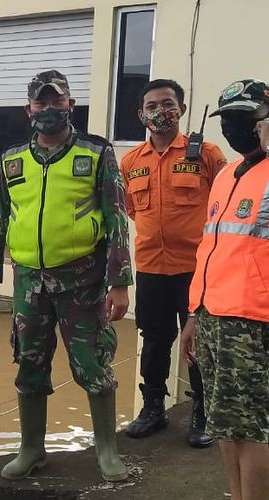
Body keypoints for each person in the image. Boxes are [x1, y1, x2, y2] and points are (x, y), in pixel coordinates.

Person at [0, 70, 132, 482]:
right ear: (29, 109)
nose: (48, 109)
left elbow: (116, 219)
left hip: (83, 282)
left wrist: (119, 283)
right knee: (29, 364)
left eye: (56, 101)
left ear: (70, 106)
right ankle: (32, 449)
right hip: (30, 283)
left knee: (93, 365)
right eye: (40, 103)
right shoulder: (11, 160)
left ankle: (106, 451)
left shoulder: (96, 153)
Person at [120, 79, 227, 447]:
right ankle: (153, 408)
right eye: (152, 106)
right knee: (154, 339)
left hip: (197, 268)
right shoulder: (131, 162)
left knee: (198, 342)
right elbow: (133, 211)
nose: (160, 111)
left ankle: (202, 412)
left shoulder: (208, 155)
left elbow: (223, 205)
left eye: (167, 103)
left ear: (180, 109)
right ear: (141, 115)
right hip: (151, 266)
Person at [180, 79, 269, 500]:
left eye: (245, 118)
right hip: (214, 315)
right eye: (228, 119)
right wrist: (195, 313)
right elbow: (211, 246)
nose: (234, 127)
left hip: (255, 320)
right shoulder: (227, 174)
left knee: (253, 427)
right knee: (224, 422)